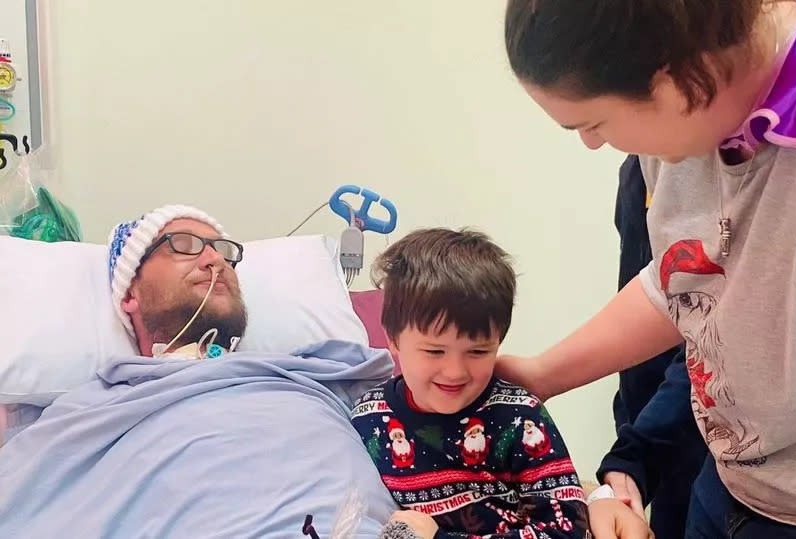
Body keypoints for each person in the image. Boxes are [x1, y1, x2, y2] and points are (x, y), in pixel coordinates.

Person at [499, 1, 796, 537]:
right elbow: (683, 281)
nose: (592, 143)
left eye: (593, 122)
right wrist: (542, 376)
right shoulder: (675, 142)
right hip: (730, 484)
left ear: (678, 79)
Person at [0, 205, 398, 537]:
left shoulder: (314, 374)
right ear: (129, 293)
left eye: (223, 251)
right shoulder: (91, 411)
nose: (214, 260)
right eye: (184, 246)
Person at [352, 228, 650, 539]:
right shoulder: (367, 417)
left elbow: (565, 530)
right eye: (434, 351)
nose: (455, 372)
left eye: (478, 352)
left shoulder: (519, 417)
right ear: (393, 339)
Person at [599, 156, 707, 539]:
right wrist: (632, 440)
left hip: (710, 436)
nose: (591, 142)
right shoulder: (634, 173)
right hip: (647, 414)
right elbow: (650, 292)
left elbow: (705, 337)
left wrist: (637, 446)